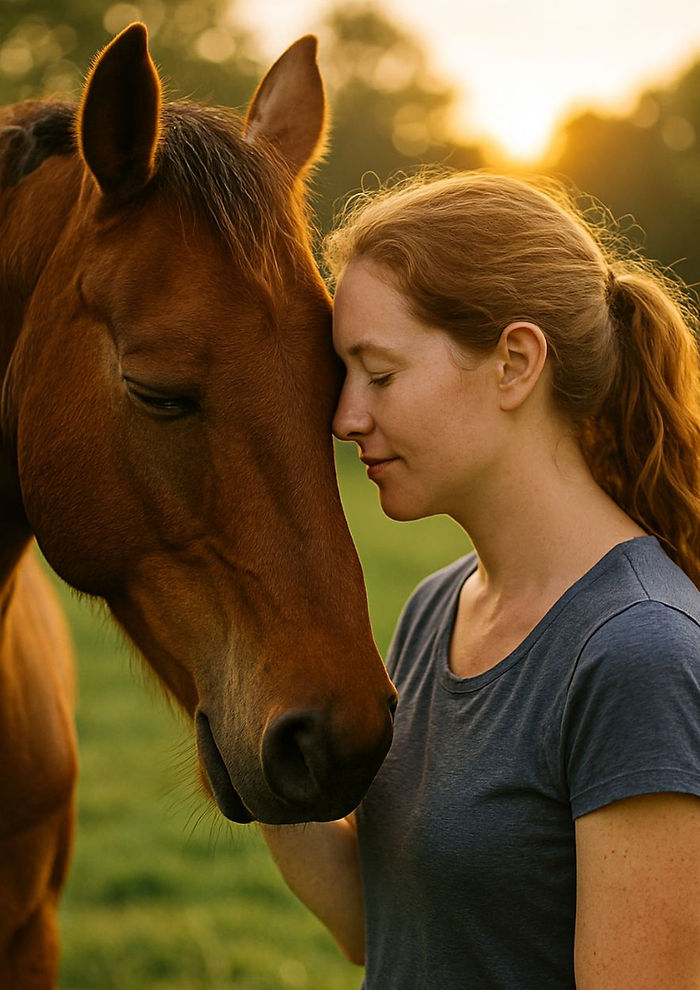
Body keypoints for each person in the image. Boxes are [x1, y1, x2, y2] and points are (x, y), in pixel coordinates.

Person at [260, 172, 700, 989]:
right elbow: (380, 923)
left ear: (515, 363)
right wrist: (257, 740)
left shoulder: (638, 653)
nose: (345, 415)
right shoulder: (438, 607)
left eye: (379, 373)